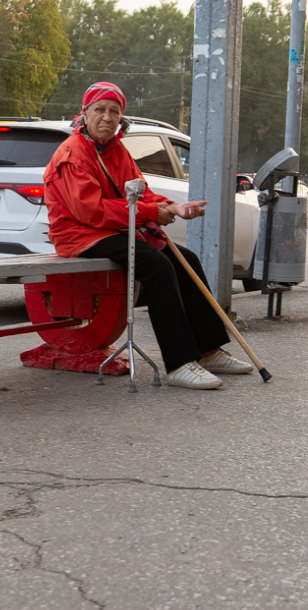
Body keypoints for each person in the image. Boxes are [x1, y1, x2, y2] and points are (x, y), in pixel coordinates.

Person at [43, 82, 253, 389]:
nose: (107, 117)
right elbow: (91, 211)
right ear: (84, 114)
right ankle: (179, 362)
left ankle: (207, 350)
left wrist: (171, 207)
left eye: (114, 111)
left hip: (113, 229)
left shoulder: (117, 150)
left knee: (188, 260)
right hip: (80, 235)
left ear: (121, 117)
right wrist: (152, 213)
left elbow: (142, 193)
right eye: (99, 109)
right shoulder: (72, 154)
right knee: (156, 265)